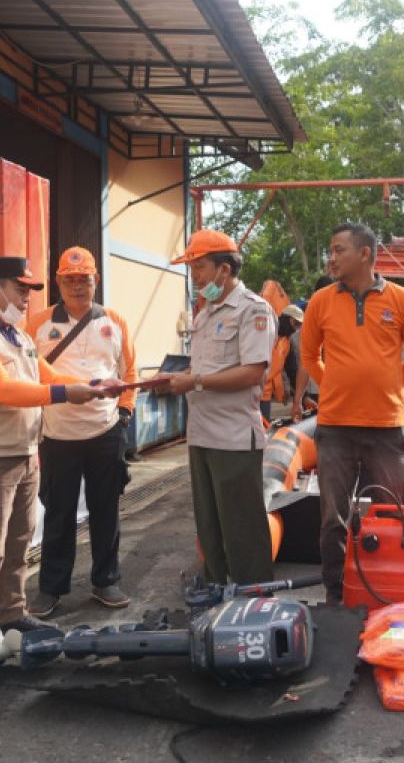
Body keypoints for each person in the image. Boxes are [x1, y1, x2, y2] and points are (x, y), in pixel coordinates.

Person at [0, 257, 116, 645]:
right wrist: (64, 394)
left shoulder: (17, 336)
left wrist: (98, 384)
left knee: (19, 543)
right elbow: (1, 389)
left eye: (29, 291)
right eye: (20, 289)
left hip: (23, 452)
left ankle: (11, 614)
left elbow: (49, 375)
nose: (26, 299)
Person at [299, 222, 404, 604]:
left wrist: (387, 385)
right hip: (334, 428)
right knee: (332, 519)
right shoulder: (321, 301)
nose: (332, 258)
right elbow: (309, 357)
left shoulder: (402, 300)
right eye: (330, 250)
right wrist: (335, 386)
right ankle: (336, 595)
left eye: (339, 250)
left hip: (385, 429)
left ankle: (388, 595)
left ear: (365, 254)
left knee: (391, 514)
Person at [25, 247, 136, 615]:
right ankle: (51, 588)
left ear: (96, 281)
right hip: (57, 437)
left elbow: (130, 372)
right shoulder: (37, 325)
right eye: (69, 280)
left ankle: (106, 582)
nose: (76, 286)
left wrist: (124, 414)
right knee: (59, 515)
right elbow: (25, 373)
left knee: (107, 512)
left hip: (105, 433)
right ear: (57, 282)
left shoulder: (115, 321)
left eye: (83, 279)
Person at [163, 229, 276, 585]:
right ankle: (214, 593)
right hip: (202, 436)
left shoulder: (253, 310)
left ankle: (253, 602)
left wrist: (194, 382)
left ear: (223, 270)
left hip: (234, 439)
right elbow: (207, 369)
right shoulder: (205, 314)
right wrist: (183, 378)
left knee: (242, 531)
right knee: (209, 528)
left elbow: (253, 372)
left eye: (199, 268)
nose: (194, 276)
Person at [291, 275, 334, 423]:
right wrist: (299, 399)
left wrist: (298, 399)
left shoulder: (312, 320)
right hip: (321, 392)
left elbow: (304, 362)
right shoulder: (312, 322)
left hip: (325, 392)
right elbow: (305, 362)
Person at [259, 308, 300, 422]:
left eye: (299, 325)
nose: (295, 329)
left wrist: (301, 396)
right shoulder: (265, 333)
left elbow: (292, 370)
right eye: (295, 323)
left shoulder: (287, 342)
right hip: (248, 390)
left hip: (265, 394)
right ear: (286, 319)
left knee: (262, 429)